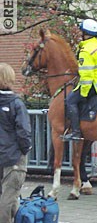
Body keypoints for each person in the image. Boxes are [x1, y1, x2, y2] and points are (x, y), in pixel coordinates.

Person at [62, 19, 97, 141]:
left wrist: (84, 92)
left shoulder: (86, 51)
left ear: (84, 34)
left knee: (71, 100)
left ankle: (76, 132)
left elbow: (87, 75)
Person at [0, 63, 32, 223]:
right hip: (13, 157)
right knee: (8, 198)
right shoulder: (15, 103)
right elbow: (23, 132)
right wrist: (26, 148)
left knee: (9, 198)